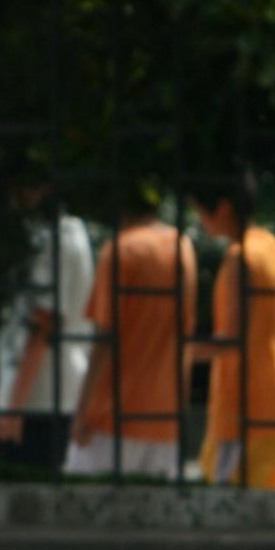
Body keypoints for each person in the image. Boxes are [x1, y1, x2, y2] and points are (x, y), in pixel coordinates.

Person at [68, 191, 195, 480]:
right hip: (164, 417)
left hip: (112, 417)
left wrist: (82, 412)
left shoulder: (120, 251)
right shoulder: (183, 247)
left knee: (85, 515)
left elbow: (104, 340)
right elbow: (183, 336)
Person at [190, 169, 275, 491]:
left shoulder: (241, 258)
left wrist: (179, 352)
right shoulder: (272, 247)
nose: (199, 222)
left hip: (244, 406)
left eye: (199, 212)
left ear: (222, 208)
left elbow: (232, 341)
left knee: (223, 508)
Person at [0, 166, 98, 473]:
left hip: (41, 401)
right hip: (38, 397)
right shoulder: (59, 237)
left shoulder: (59, 241)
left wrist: (14, 407)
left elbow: (43, 324)